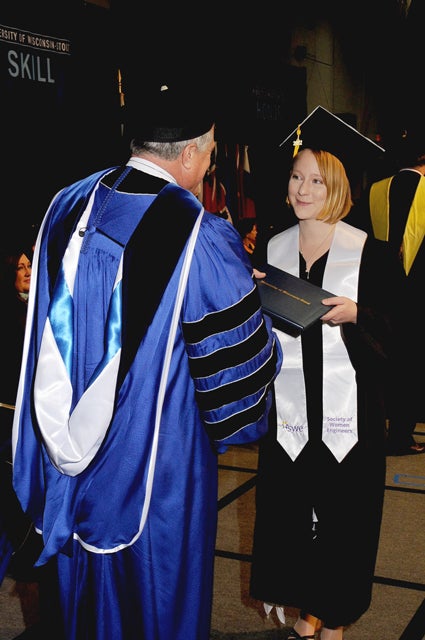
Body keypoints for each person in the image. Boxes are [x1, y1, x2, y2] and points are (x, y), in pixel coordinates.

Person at [11, 82, 283, 640]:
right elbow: (238, 386)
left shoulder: (66, 205)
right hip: (158, 479)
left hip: (67, 474)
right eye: (210, 154)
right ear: (188, 154)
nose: (209, 166)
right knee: (155, 612)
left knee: (76, 617)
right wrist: (256, 312)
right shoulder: (201, 235)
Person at [249, 107, 405, 640]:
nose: (302, 188)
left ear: (337, 186)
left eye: (316, 179)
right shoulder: (269, 249)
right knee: (292, 528)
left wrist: (358, 313)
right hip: (289, 422)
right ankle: (308, 614)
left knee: (342, 532)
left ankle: (326, 621)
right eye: (296, 177)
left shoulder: (373, 255)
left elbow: (406, 330)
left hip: (350, 423)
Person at [352, 129, 425, 455]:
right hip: (419, 297)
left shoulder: (374, 191)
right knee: (414, 362)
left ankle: (376, 430)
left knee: (383, 361)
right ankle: (402, 434)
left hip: (380, 297)